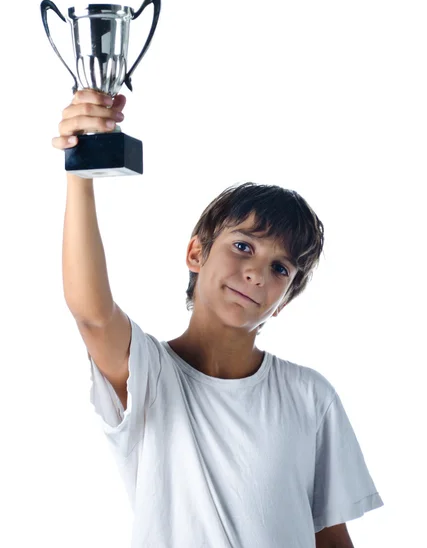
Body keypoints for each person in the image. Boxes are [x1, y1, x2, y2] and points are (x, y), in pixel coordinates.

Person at [55, 89, 384, 548]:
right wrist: (80, 172)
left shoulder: (311, 397)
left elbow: (329, 536)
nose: (255, 272)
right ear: (196, 252)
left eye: (279, 268)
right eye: (243, 246)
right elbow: (92, 314)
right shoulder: (150, 374)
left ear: (283, 300)